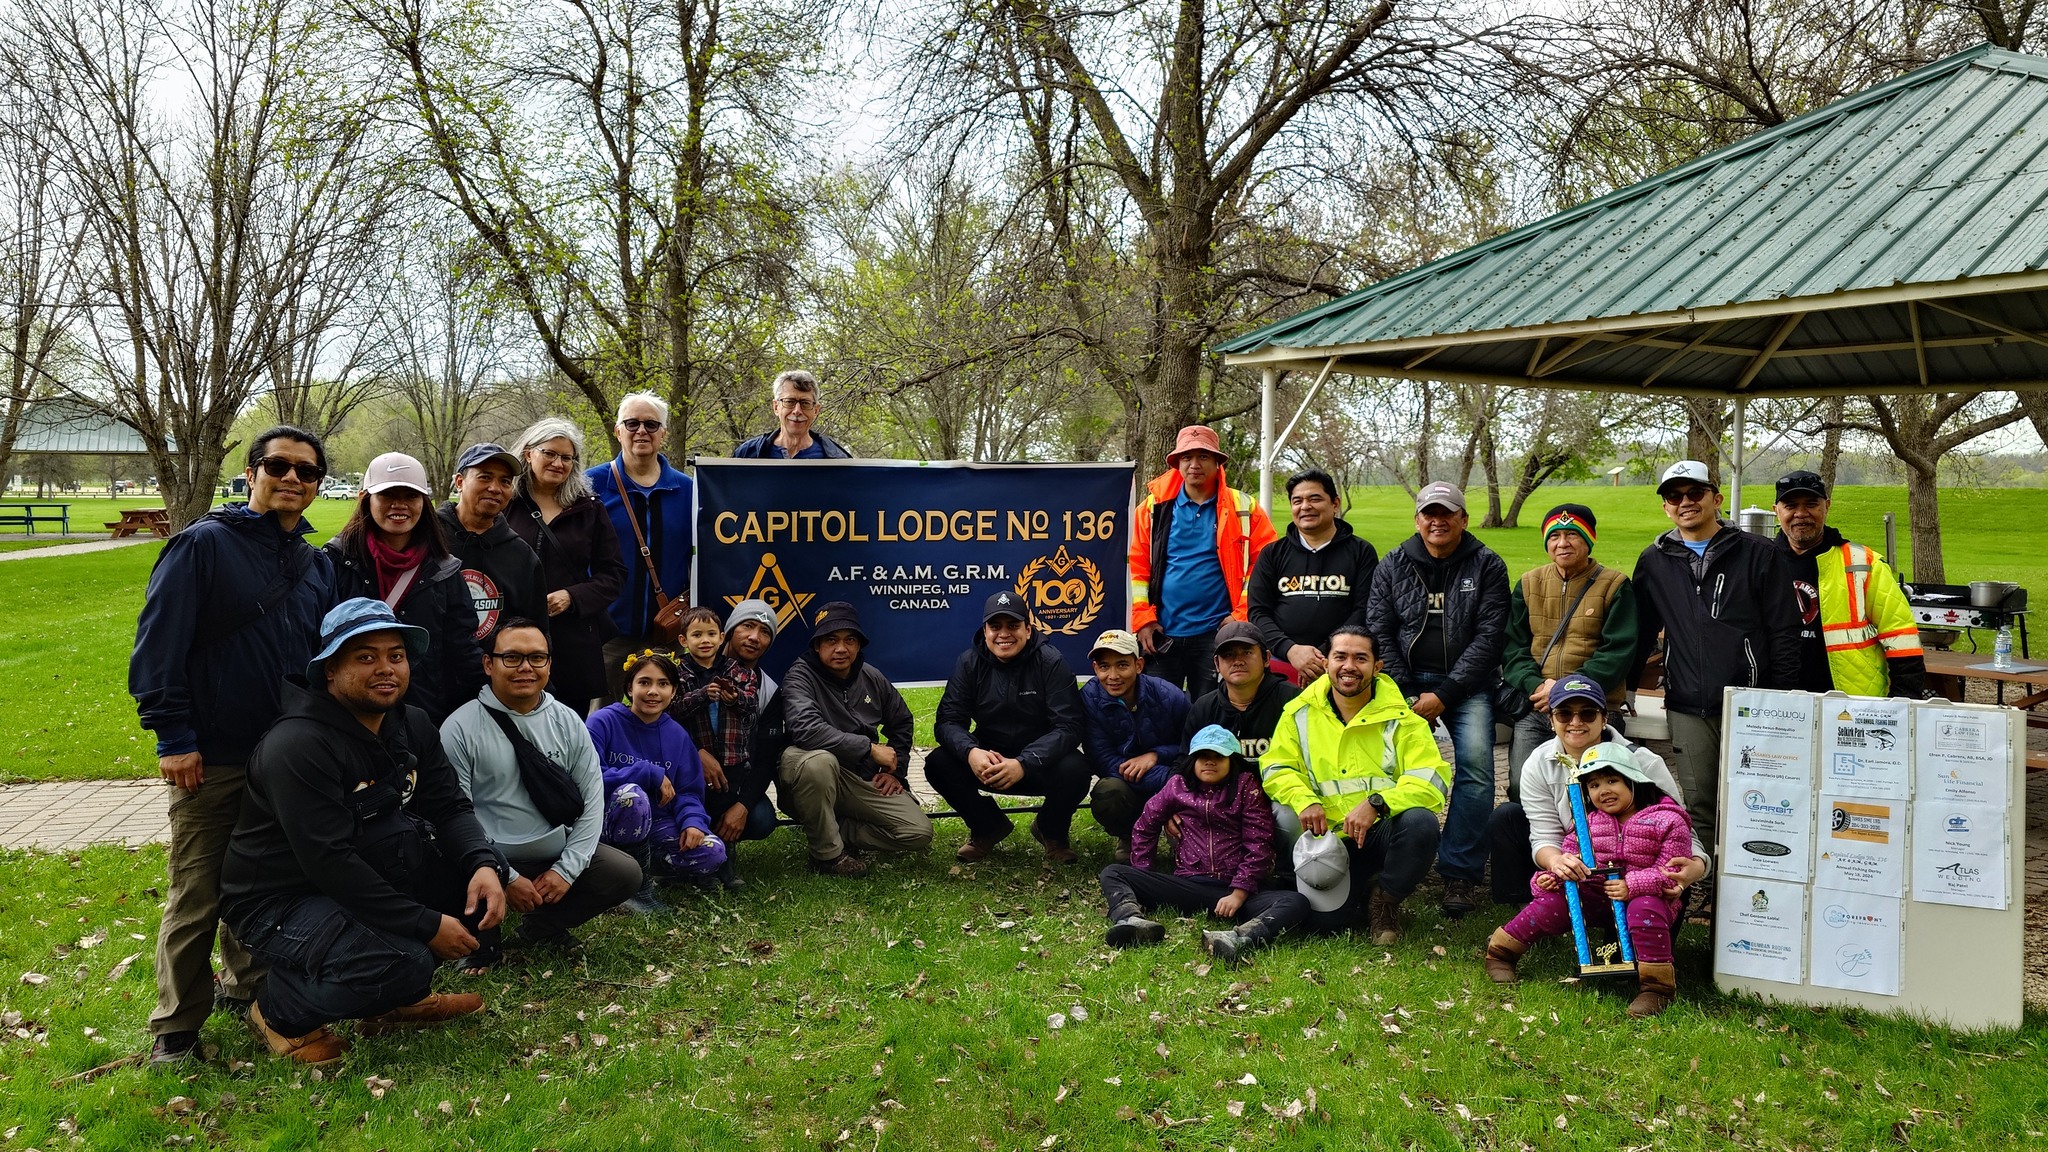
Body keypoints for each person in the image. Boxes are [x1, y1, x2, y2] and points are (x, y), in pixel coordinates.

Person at [130, 425, 337, 1065]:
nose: (292, 478)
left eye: (307, 471)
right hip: (213, 755)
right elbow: (158, 647)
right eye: (278, 466)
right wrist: (174, 737)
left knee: (264, 885)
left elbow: (323, 663)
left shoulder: (316, 566)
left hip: (285, 758)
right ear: (251, 474)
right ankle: (176, 1028)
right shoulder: (202, 546)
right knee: (198, 891)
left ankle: (253, 990)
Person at [218, 599, 503, 1064]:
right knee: (404, 961)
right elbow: (328, 860)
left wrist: (482, 863)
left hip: (366, 871)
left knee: (480, 885)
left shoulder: (411, 723)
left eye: (396, 655)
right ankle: (278, 1013)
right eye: (365, 657)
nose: (385, 668)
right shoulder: (297, 745)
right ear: (330, 670)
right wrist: (425, 923)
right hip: (278, 899)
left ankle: (394, 1003)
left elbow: (449, 805)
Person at [440, 618, 640, 970]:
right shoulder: (459, 728)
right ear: (488, 664)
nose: (525, 668)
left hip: (552, 852)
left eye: (536, 658)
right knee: (449, 863)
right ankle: (482, 941)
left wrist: (566, 870)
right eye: (512, 658)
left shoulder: (567, 721)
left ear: (549, 664)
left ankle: (542, 926)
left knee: (623, 872)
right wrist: (506, 875)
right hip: (486, 859)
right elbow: (458, 817)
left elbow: (593, 800)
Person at [1632, 460, 1801, 859]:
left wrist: (1781, 697)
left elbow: (1785, 630)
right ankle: (1705, 882)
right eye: (1674, 496)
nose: (1685, 502)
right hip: (1688, 704)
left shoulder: (1758, 553)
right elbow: (1640, 632)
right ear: (1665, 507)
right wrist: (1626, 687)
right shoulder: (1654, 560)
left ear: (1716, 498)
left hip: (1752, 702)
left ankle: (1758, 878)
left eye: (1695, 493)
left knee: (1759, 800)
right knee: (1700, 805)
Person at [1366, 480, 1510, 919]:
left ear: (1463, 519)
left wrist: (1445, 695)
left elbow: (1490, 637)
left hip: (1467, 686)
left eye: (1447, 513)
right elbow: (1379, 629)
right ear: (1417, 520)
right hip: (1403, 684)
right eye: (1429, 513)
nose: (1438, 521)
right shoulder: (1393, 563)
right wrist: (1410, 694)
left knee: (1477, 768)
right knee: (1388, 765)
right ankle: (1387, 861)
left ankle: (1459, 872)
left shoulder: (1487, 564)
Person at [1258, 626, 1448, 943]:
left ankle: (1384, 899)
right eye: (1340, 657)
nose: (1349, 666)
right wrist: (1305, 799)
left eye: (1360, 658)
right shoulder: (1297, 714)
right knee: (1325, 925)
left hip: (1380, 834)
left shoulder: (1404, 719)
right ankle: (1345, 888)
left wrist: (1378, 803)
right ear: (1326, 663)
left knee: (1421, 823)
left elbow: (1431, 780)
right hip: (1325, 840)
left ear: (1377, 667)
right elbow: (1276, 768)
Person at [1482, 742, 1693, 1018]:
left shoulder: (1668, 820)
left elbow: (1671, 872)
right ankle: (1501, 953)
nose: (1603, 790)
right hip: (1594, 896)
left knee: (1645, 910)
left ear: (1633, 779)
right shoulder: (1588, 823)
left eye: (1612, 780)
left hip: (1646, 899)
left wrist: (1632, 886)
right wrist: (1550, 878)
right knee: (1552, 904)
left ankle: (1656, 988)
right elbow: (1569, 858)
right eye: (1593, 785)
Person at [1485, 675, 1709, 906]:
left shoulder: (1643, 761)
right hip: (1574, 862)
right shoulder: (1538, 762)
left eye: (1588, 714)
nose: (1575, 722)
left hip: (1637, 873)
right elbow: (1544, 834)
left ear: (1604, 719)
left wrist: (1697, 866)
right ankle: (1526, 905)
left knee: (1650, 908)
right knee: (1507, 816)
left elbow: (1681, 828)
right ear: (1551, 720)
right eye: (1564, 714)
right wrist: (1557, 862)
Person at [1098, 726, 1307, 963]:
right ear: (1192, 760)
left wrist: (1239, 893)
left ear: (1232, 760)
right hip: (1188, 884)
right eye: (1202, 756)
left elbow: (1259, 844)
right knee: (1113, 872)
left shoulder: (1246, 787)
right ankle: (1131, 920)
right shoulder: (1177, 786)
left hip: (1233, 889)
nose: (1210, 762)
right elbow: (1145, 826)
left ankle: (1239, 938)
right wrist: (1144, 873)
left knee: (1295, 901)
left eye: (1219, 756)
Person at [926, 591, 1093, 864]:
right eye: (995, 626)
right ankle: (987, 827)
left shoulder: (1051, 662)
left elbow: (1069, 726)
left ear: (1028, 629)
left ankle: (1051, 831)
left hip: (1041, 762)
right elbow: (948, 721)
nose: (1004, 634)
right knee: (937, 763)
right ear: (985, 631)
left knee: (1077, 769)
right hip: (989, 761)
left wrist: (1025, 763)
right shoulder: (968, 663)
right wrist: (971, 752)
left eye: (1013, 625)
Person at [325, 451, 484, 724]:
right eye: (387, 495)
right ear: (365, 498)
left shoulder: (445, 570)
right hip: (348, 715)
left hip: (423, 715)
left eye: (411, 496)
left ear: (424, 502)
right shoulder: (336, 561)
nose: (399, 505)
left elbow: (462, 648)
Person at [778, 602, 935, 876]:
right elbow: (805, 729)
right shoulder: (799, 676)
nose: (841, 648)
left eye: (849, 640)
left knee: (917, 832)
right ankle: (827, 856)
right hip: (809, 772)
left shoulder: (871, 676)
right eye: (831, 640)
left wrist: (896, 771)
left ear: (859, 645)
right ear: (817, 645)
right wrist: (870, 749)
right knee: (820, 762)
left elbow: (902, 721)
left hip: (859, 778)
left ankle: (832, 829)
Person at [1128, 425, 1278, 700]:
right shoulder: (1151, 509)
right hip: (1162, 634)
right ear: (1177, 463)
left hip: (1219, 634)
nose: (1194, 464)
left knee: (1214, 714)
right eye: (1187, 457)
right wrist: (1144, 620)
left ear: (1218, 462)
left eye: (1203, 456)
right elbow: (1137, 568)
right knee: (1161, 713)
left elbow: (1263, 567)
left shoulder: (1245, 508)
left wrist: (1239, 617)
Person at [1500, 503, 1639, 786]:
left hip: (1593, 708)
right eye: (1554, 536)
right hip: (1539, 706)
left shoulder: (1614, 585)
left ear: (1588, 539)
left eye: (1572, 534)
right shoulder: (1528, 584)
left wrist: (1565, 689)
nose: (1562, 543)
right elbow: (1513, 647)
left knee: (1596, 786)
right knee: (1523, 785)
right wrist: (1536, 686)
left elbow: (1618, 651)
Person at [586, 649, 727, 910]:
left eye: (663, 684)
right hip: (606, 823)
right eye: (644, 682)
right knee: (632, 797)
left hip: (658, 825)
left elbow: (689, 792)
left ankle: (649, 869)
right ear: (630, 688)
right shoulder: (603, 722)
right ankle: (631, 889)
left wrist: (693, 822)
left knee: (713, 851)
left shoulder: (678, 735)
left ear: (673, 692)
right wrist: (648, 772)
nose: (653, 691)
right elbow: (587, 778)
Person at [507, 417, 627, 713]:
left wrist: (572, 597)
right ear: (528, 454)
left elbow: (614, 574)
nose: (558, 463)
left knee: (567, 725)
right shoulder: (505, 503)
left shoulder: (588, 507)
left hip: (572, 646)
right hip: (512, 637)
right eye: (549, 453)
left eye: (566, 457)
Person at [1771, 470, 1925, 698]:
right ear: (1776, 511)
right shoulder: (1760, 563)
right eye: (1790, 506)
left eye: (1811, 504)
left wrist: (1902, 701)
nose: (1801, 514)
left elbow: (1901, 637)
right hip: (1775, 704)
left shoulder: (1864, 563)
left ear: (1827, 506)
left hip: (1850, 705)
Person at [589, 392, 694, 698]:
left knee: (670, 712)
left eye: (651, 424)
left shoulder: (687, 490)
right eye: (632, 423)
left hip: (668, 631)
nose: (641, 431)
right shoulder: (591, 485)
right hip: (608, 632)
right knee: (600, 715)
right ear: (617, 430)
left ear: (664, 433)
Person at [1247, 468, 1377, 684]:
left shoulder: (1361, 552)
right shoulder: (1272, 554)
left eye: (1314, 499)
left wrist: (1326, 654)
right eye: (1297, 501)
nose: (1305, 506)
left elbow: (1364, 610)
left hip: (1341, 664)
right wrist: (1291, 650)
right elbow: (1258, 612)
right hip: (1281, 661)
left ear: (1335, 504)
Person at [668, 607, 761, 889]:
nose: (705, 640)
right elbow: (671, 710)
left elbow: (751, 705)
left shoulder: (739, 671)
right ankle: (701, 865)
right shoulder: (677, 674)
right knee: (700, 809)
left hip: (733, 759)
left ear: (722, 637)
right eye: (697, 635)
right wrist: (701, 696)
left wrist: (733, 698)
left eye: (711, 634)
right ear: (683, 640)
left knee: (725, 808)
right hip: (692, 761)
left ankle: (726, 864)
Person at [1080, 629, 1190, 861]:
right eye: (1104, 666)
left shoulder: (1169, 695)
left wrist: (1156, 755)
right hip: (1129, 779)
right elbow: (1101, 758)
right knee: (1108, 791)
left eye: (1122, 665)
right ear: (1095, 669)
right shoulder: (1088, 698)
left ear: (1138, 665)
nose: (1113, 675)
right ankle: (1129, 835)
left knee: (1193, 782)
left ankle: (1186, 834)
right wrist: (1164, 779)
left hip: (1171, 774)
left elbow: (1191, 746)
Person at [703, 599, 786, 873]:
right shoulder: (694, 667)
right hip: (685, 775)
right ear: (729, 631)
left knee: (761, 819)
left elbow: (766, 757)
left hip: (732, 782)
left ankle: (719, 848)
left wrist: (743, 805)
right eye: (747, 626)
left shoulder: (769, 691)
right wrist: (696, 752)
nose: (754, 637)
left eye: (764, 632)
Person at [439, 443, 547, 642]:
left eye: (505, 481)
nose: (495, 488)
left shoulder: (522, 556)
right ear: (460, 482)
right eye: (485, 477)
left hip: (495, 661)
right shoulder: (429, 538)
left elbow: (535, 629)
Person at [1183, 620, 1300, 763]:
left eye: (1247, 652)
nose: (1238, 661)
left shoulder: (1293, 701)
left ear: (1266, 658)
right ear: (1216, 664)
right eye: (1228, 655)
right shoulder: (1204, 708)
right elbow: (1185, 762)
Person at [733, 369, 854, 458]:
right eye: (789, 402)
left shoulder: (838, 460)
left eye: (805, 403)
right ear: (776, 407)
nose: (797, 411)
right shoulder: (746, 454)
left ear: (816, 410)